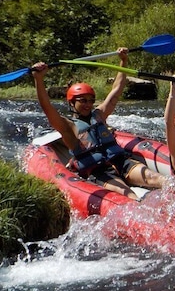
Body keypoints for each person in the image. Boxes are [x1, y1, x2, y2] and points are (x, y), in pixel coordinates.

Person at [31, 48, 167, 200]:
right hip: (99, 172)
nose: (88, 104)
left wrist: (123, 61)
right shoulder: (68, 126)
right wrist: (39, 79)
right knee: (130, 196)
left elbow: (116, 91)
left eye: (90, 100)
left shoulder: (99, 115)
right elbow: (47, 108)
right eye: (82, 100)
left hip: (120, 161)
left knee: (160, 180)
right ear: (71, 103)